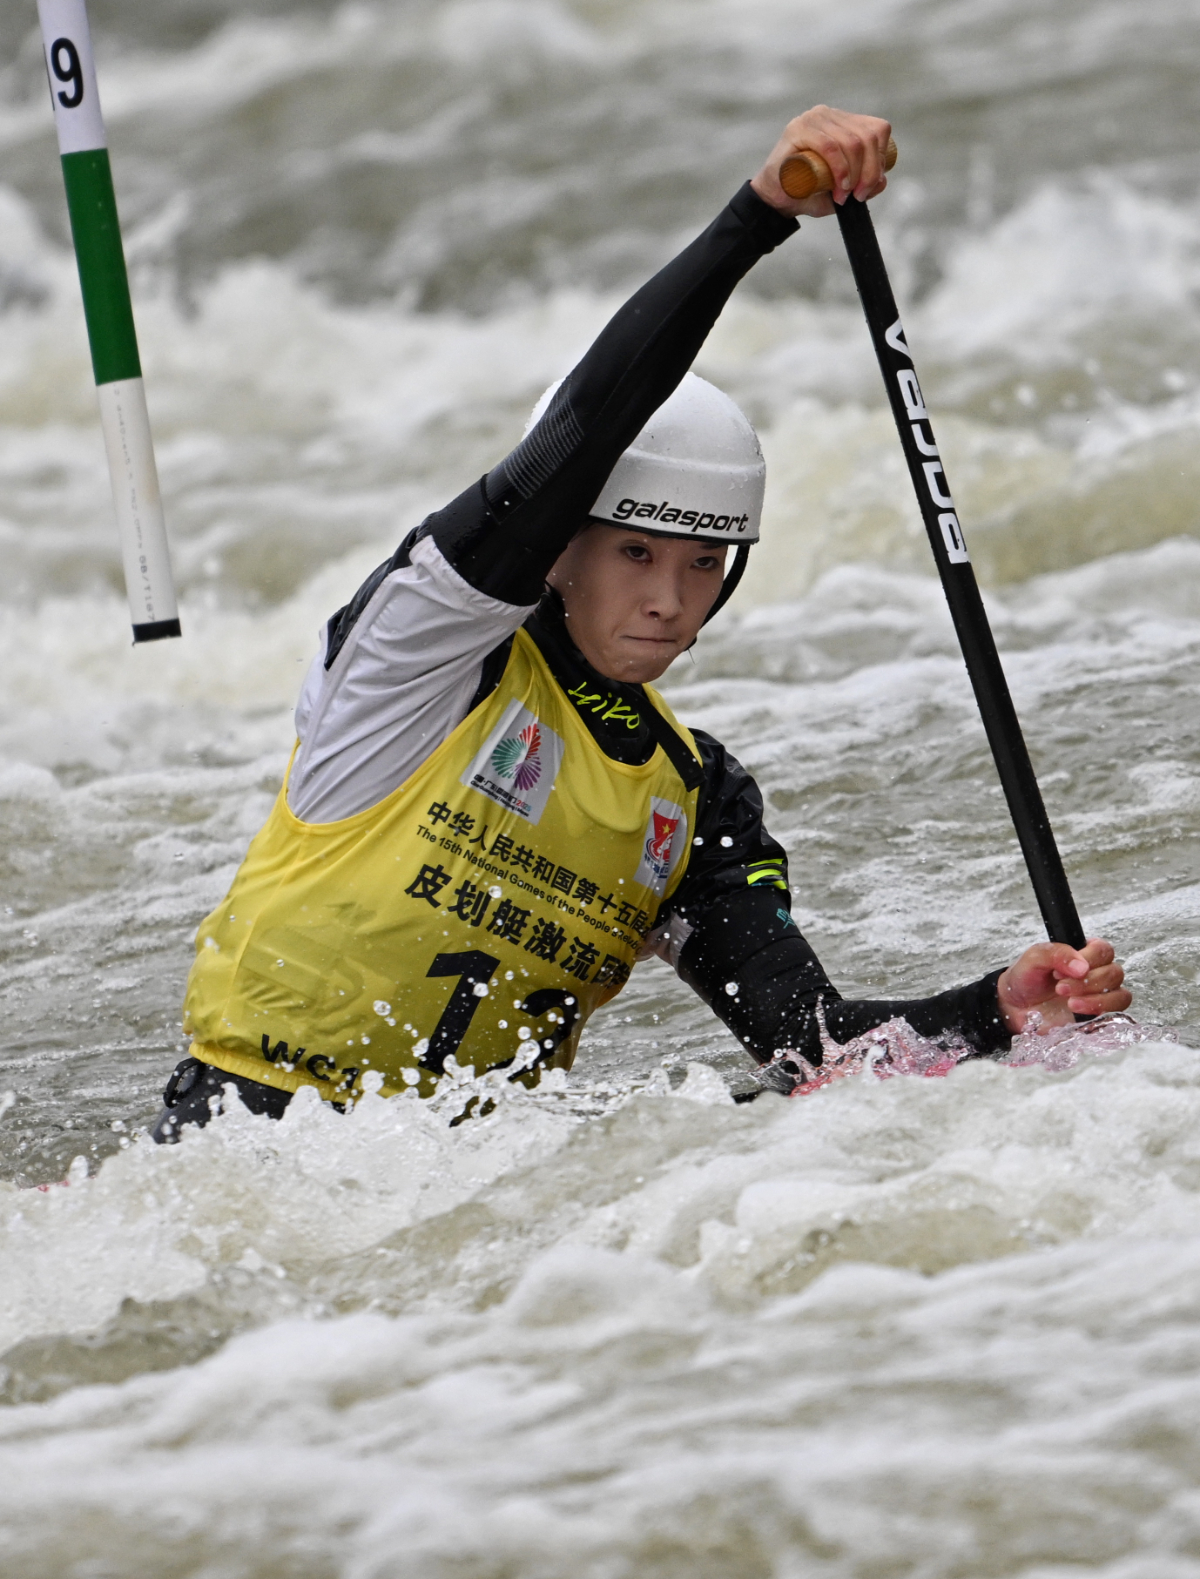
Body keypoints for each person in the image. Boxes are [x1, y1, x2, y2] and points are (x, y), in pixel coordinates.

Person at [152, 106, 1130, 1141]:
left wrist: (998, 1010)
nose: (669, 596)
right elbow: (587, 428)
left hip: (453, 1197)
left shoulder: (692, 798)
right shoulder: (423, 657)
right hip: (241, 1145)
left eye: (704, 563)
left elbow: (817, 1051)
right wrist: (757, 218)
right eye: (635, 552)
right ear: (560, 547)